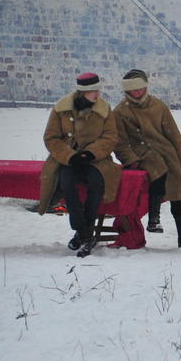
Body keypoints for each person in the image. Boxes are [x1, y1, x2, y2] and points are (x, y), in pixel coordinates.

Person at [113, 69, 181, 251]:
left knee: (178, 196)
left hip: (166, 154)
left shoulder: (158, 106)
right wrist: (131, 160)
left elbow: (174, 135)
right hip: (142, 155)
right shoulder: (120, 112)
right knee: (157, 167)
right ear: (127, 91)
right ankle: (154, 219)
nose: (137, 92)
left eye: (140, 88)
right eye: (133, 90)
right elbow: (120, 143)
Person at [39, 72, 121, 257]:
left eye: (98, 90)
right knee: (67, 183)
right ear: (83, 92)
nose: (97, 94)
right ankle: (84, 231)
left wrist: (91, 153)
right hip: (69, 159)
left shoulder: (104, 109)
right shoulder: (61, 109)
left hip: (97, 160)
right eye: (93, 91)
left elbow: (110, 137)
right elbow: (51, 138)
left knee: (97, 184)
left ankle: (83, 234)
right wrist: (70, 156)